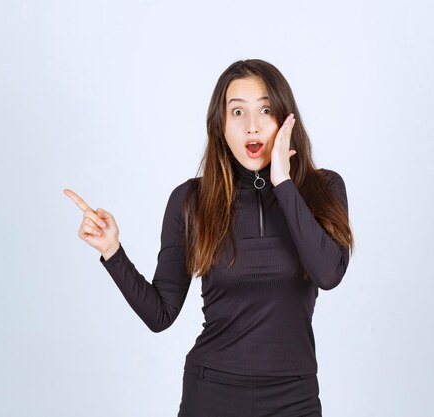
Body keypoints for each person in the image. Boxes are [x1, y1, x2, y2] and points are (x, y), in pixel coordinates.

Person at [64, 59, 354, 417]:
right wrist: (112, 251)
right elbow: (161, 314)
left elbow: (328, 274)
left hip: (294, 397)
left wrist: (284, 183)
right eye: (237, 112)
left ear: (285, 118)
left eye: (265, 110)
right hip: (212, 394)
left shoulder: (323, 188)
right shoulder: (191, 200)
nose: (252, 126)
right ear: (220, 125)